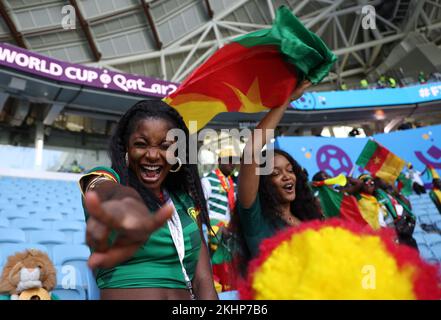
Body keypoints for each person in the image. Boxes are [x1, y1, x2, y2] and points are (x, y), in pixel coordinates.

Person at [79, 100, 217, 300]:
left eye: (165, 146)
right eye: (141, 144)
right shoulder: (107, 178)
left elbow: (202, 280)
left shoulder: (184, 202)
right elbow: (98, 187)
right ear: (126, 147)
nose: (153, 155)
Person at [229, 80, 322, 275]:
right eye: (276, 173)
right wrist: (285, 100)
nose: (287, 177)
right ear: (263, 183)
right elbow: (251, 152)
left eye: (290, 170)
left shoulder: (308, 217)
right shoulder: (256, 220)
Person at [200, 148, 239, 292]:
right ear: (219, 161)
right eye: (229, 160)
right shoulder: (207, 180)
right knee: (212, 265)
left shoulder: (233, 184)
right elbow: (199, 207)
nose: (232, 164)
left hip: (229, 231)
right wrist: (212, 227)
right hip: (213, 230)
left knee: (227, 267)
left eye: (235, 161)